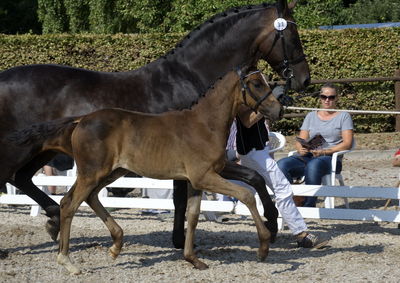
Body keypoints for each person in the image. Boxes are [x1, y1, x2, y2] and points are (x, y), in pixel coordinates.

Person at [235, 101, 328, 248]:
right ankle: (301, 234)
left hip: (258, 150)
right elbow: (247, 121)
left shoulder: (252, 98)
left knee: (248, 191)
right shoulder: (241, 98)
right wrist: (263, 107)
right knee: (283, 189)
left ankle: (270, 224)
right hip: (254, 152)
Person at [277, 83, 354, 207]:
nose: (327, 100)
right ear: (320, 97)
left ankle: (309, 204)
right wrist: (300, 148)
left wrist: (325, 152)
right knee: (281, 164)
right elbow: (300, 139)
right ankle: (292, 200)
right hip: (309, 155)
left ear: (337, 98)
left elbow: (347, 144)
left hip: (330, 158)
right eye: (324, 97)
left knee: (314, 164)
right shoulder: (311, 115)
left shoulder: (344, 116)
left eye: (331, 97)